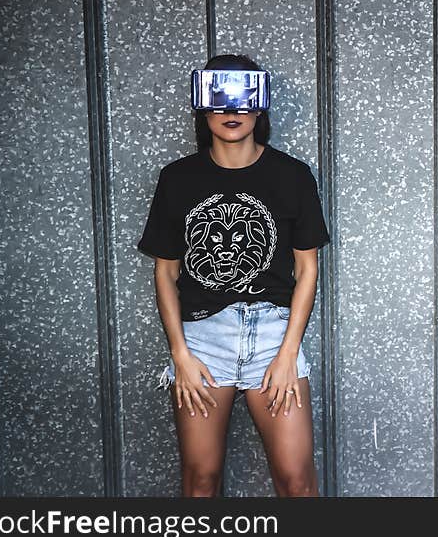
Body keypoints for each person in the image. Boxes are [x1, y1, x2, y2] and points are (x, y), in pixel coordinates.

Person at [137, 53, 330, 497]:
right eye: (218, 100)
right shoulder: (177, 178)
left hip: (272, 337)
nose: (231, 112)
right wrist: (181, 356)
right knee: (200, 481)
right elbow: (165, 273)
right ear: (201, 106)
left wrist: (287, 355)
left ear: (259, 106)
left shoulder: (293, 176)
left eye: (243, 100)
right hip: (204, 339)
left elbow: (307, 269)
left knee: (297, 481)